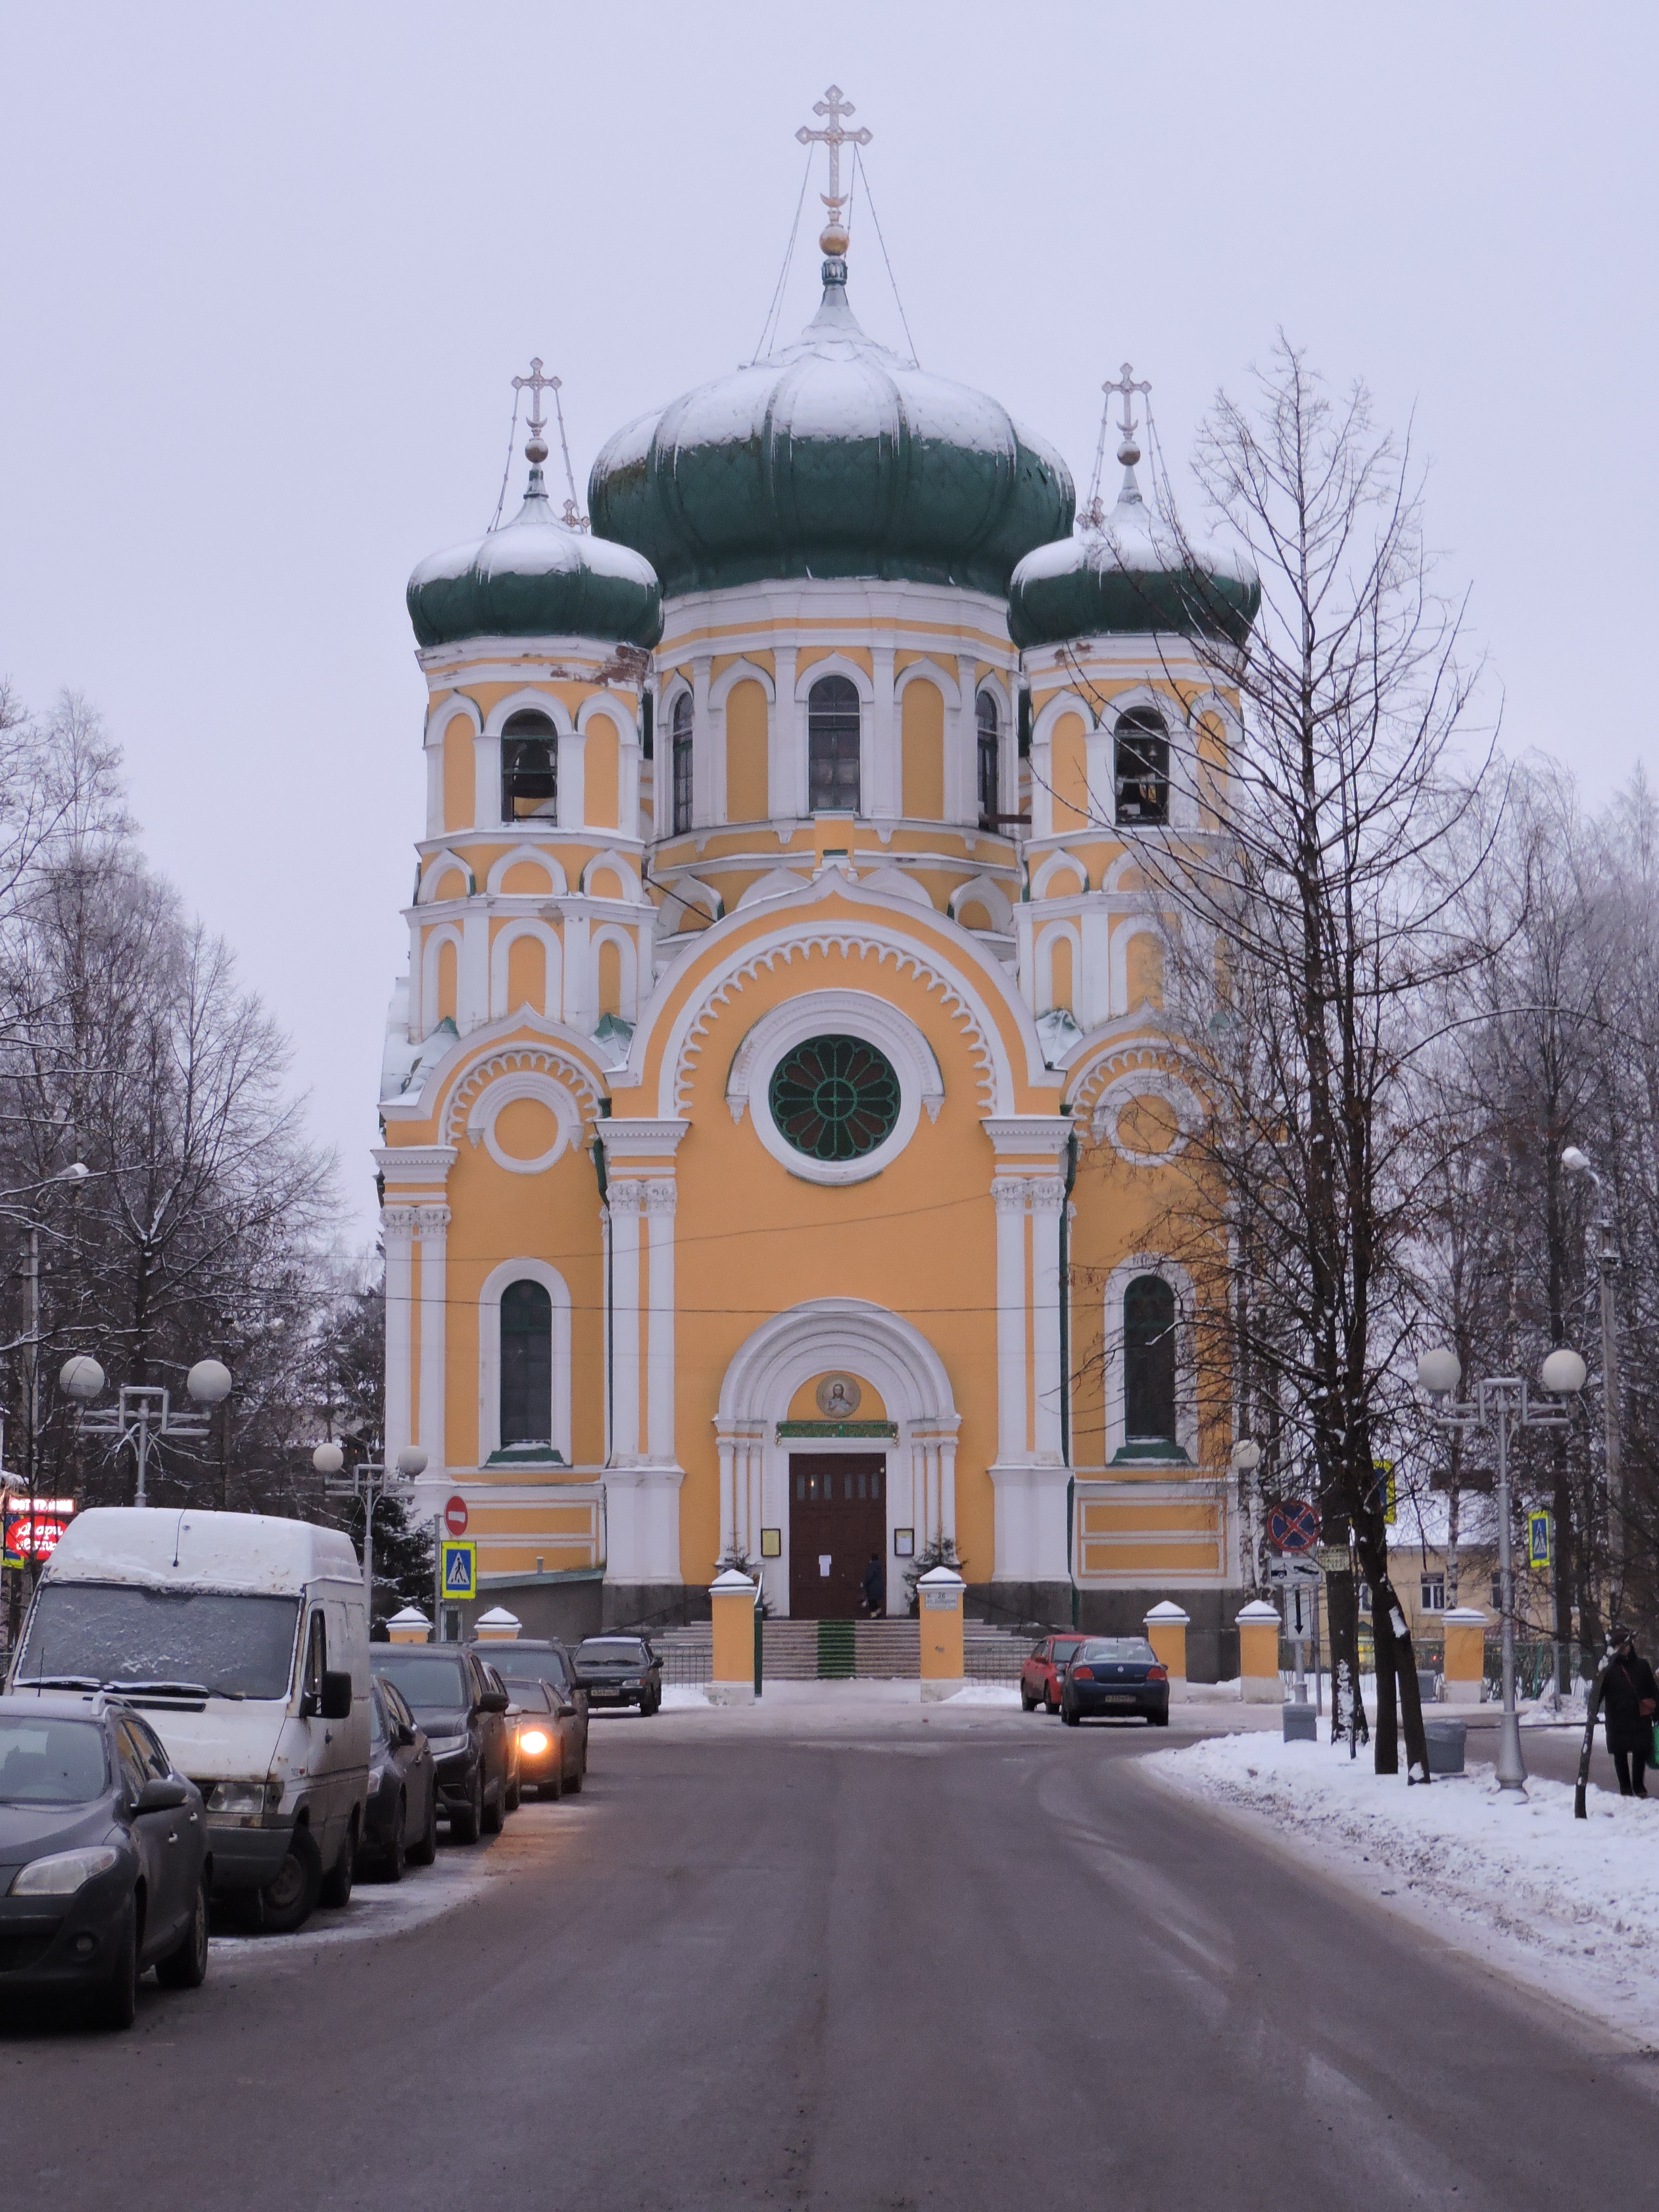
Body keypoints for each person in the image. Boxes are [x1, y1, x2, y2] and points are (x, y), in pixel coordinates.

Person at [1601, 1626, 1659, 1798]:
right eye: (1619, 1646)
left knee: (1640, 1752)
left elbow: (1653, 1691)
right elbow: (1599, 1693)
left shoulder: (1642, 1665)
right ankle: (1625, 1789)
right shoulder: (1609, 1669)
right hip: (1617, 1719)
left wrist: (1657, 1716)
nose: (1623, 1649)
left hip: (1639, 1718)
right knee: (1620, 1754)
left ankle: (1639, 1787)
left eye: (1625, 1645)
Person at [860, 1552, 885, 1619]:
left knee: (872, 1604)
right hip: (878, 1588)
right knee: (874, 1603)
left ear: (871, 1559)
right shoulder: (879, 1566)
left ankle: (875, 1616)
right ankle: (878, 1613)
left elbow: (870, 1577)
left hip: (872, 1588)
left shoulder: (872, 1566)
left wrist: (864, 1584)